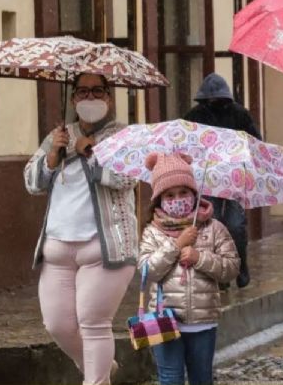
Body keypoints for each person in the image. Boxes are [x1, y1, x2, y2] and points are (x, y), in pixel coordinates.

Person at [24, 73, 137, 385]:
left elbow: (126, 179)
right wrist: (51, 157)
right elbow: (31, 183)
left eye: (98, 91)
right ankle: (100, 369)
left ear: (109, 98)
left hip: (105, 248)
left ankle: (96, 381)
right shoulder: (59, 135)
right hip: (58, 248)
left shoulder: (123, 136)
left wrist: (90, 151)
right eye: (83, 91)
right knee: (57, 325)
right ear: (73, 99)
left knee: (93, 322)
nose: (90, 97)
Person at [138, 152, 240, 385]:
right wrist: (176, 245)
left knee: (201, 378)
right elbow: (147, 272)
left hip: (202, 321)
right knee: (170, 378)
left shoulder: (214, 228)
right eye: (170, 194)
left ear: (194, 193)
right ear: (160, 199)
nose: (177, 198)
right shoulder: (152, 232)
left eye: (183, 192)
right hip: (165, 318)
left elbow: (231, 268)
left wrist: (200, 258)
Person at [182, 73, 260, 288]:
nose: (214, 104)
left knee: (235, 225)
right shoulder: (194, 116)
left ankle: (241, 266)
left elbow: (255, 143)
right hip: (206, 178)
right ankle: (219, 274)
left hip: (235, 177)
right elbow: (185, 146)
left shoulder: (239, 115)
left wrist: (241, 157)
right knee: (212, 225)